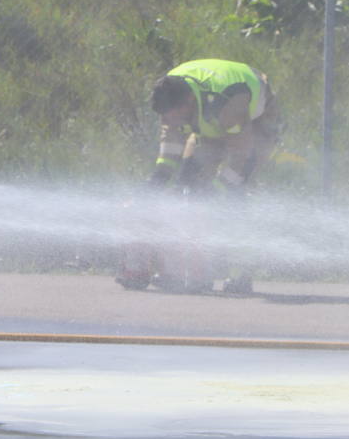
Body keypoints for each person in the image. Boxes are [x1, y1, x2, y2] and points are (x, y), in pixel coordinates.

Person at [118, 58, 281, 294]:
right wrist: (159, 177)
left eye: (171, 116)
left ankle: (240, 275)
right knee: (186, 186)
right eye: (163, 116)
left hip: (254, 124)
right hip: (211, 120)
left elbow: (239, 157)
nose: (167, 121)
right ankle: (186, 270)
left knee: (235, 195)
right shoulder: (171, 92)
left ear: (188, 104)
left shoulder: (230, 105)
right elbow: (172, 138)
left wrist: (216, 190)